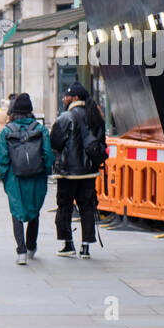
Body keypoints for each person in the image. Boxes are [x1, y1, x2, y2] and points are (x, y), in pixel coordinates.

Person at [0, 92, 54, 265]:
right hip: (37, 176)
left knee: (16, 211)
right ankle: (31, 247)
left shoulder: (7, 130)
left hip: (15, 177)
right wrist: (46, 170)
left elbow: (1, 158)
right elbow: (48, 154)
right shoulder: (40, 128)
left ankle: (21, 251)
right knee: (34, 210)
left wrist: (5, 176)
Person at [50, 82, 106, 258]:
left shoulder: (65, 117)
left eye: (66, 96)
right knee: (87, 207)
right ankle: (86, 246)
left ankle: (68, 245)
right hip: (89, 171)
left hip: (68, 173)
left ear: (74, 98)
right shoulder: (96, 117)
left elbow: (55, 142)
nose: (63, 99)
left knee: (64, 207)